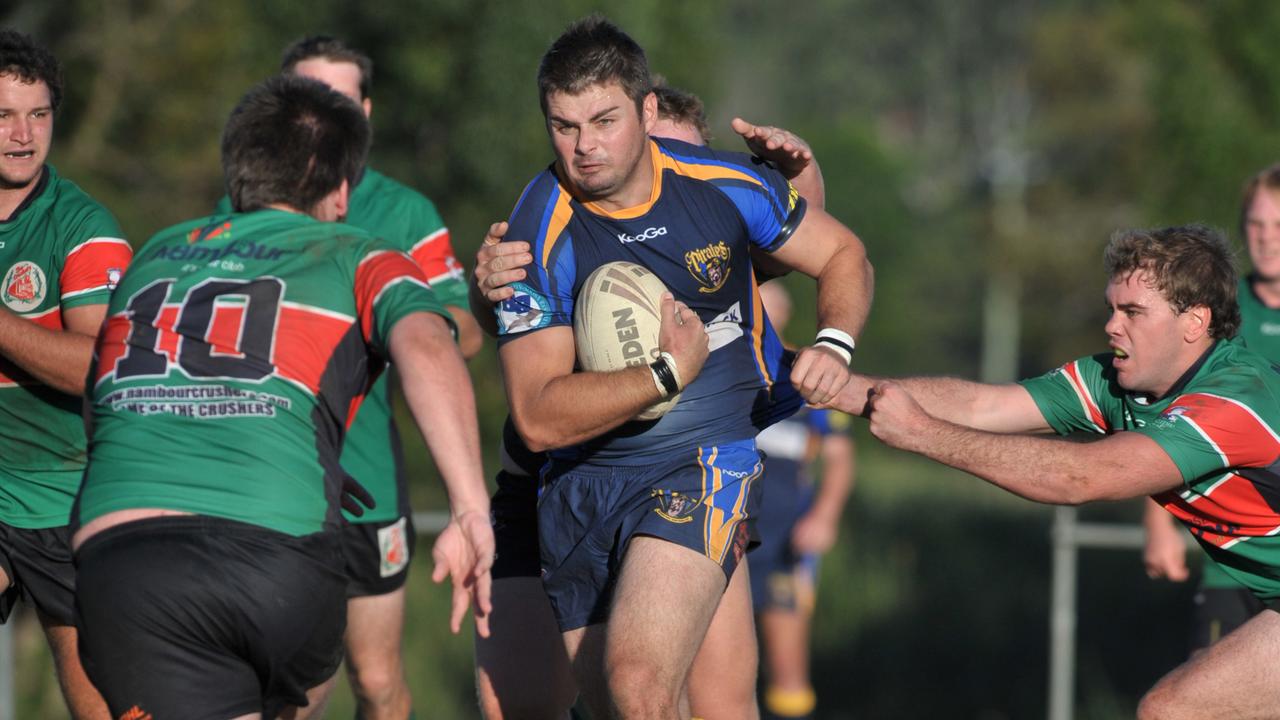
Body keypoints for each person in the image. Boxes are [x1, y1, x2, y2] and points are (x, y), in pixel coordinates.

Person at [71, 74, 493, 720]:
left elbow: (102, 401)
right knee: (294, 675)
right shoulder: (361, 253)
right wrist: (469, 509)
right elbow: (431, 346)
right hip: (274, 559)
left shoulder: (155, 253)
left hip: (123, 565)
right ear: (342, 189)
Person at [492, 16, 872, 718]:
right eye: (564, 127)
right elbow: (540, 418)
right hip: (583, 485)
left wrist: (835, 343)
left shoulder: (720, 187)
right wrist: (666, 374)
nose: (585, 147)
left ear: (647, 111)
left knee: (646, 686)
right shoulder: (531, 237)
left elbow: (841, 253)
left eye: (603, 121)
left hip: (704, 463)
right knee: (612, 704)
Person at [829, 224, 1280, 718]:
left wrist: (922, 433)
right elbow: (983, 405)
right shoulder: (1114, 381)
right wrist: (841, 388)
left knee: (1177, 711)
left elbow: (1079, 476)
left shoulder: (1232, 401)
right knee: (1177, 711)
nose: (1112, 326)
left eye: (1133, 312)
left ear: (1194, 323)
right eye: (1111, 307)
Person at [213, 36, 484, 720]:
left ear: (364, 111)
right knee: (290, 690)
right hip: (267, 480)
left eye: (337, 100)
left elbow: (465, 328)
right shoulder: (242, 211)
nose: (320, 116)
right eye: (307, 99)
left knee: (376, 678)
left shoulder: (404, 211)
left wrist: (406, 334)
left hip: (368, 483)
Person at [0, 29, 132, 720]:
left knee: (102, 706)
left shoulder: (82, 227)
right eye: (3, 115)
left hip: (67, 499)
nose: (23, 135)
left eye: (39, 114)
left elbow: (99, 364)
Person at [1142, 164, 1280, 652]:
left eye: (1278, 226)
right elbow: (1172, 415)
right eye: (1256, 226)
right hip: (1229, 556)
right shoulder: (1217, 308)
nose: (1266, 239)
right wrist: (1159, 523)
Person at [752, 282, 855, 720]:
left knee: (787, 667)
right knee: (707, 666)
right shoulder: (717, 369)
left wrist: (824, 516)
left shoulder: (802, 374)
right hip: (720, 535)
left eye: (772, 305)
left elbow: (839, 455)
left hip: (783, 540)